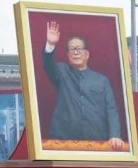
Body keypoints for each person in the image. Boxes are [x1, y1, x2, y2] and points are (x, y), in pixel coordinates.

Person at [42, 21, 124, 150]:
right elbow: (48, 66)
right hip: (63, 141)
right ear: (68, 55)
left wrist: (115, 134)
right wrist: (50, 45)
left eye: (79, 49)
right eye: (72, 49)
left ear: (87, 54)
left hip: (96, 142)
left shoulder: (102, 81)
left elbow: (111, 110)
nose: (76, 52)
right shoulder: (62, 72)